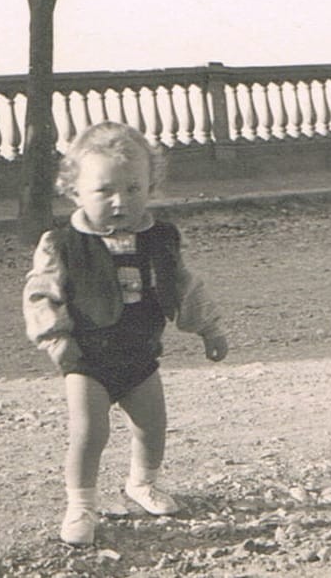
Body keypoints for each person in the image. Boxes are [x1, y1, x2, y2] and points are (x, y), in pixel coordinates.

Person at [22, 121, 229, 546]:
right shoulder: (62, 244)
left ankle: (142, 482)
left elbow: (185, 286)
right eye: (105, 191)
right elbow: (41, 295)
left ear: (151, 185)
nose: (121, 202)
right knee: (89, 433)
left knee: (152, 426)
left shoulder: (160, 238)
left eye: (134, 189)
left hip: (140, 353)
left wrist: (209, 327)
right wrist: (57, 340)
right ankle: (81, 504)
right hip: (87, 356)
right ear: (74, 191)